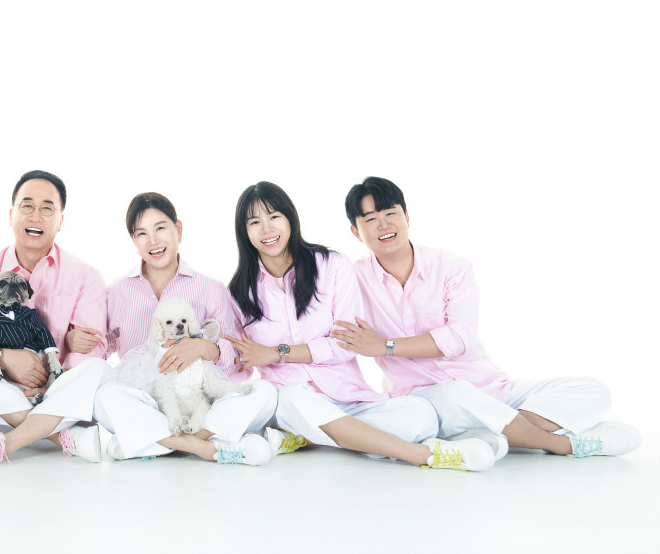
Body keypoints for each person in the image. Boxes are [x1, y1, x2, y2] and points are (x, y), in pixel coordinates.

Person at [335, 175, 640, 459]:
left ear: (406, 217)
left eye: (391, 213)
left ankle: (487, 434)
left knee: (593, 390)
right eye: (370, 219)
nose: (384, 224)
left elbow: (459, 338)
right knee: (453, 396)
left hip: (489, 388)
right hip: (426, 398)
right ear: (356, 232)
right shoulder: (351, 279)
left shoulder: (451, 266)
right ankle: (562, 444)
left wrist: (384, 346)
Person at [224, 182, 494, 470]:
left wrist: (277, 353)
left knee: (421, 415)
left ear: (290, 219)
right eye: (255, 222)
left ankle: (302, 438)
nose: (267, 229)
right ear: (245, 232)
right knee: (290, 398)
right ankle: (422, 455)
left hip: (347, 396)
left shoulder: (331, 265)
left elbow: (345, 345)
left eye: (274, 216)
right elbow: (241, 363)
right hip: (294, 400)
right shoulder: (238, 292)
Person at [93, 192, 278, 464]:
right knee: (103, 397)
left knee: (265, 393)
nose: (153, 241)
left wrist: (203, 347)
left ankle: (153, 442)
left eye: (160, 228)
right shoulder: (118, 290)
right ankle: (202, 447)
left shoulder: (210, 288)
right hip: (146, 403)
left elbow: (236, 358)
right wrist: (80, 341)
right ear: (134, 241)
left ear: (178, 229)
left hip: (199, 403)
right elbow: (103, 348)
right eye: (142, 233)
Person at [0, 170, 108, 468]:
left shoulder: (86, 276)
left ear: (60, 220)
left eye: (47, 208)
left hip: (56, 394)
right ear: (11, 215)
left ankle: (4, 444)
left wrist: (49, 385)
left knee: (98, 370)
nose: (36, 215)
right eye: (27, 205)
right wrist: (5, 360)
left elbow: (92, 349)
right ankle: (61, 437)